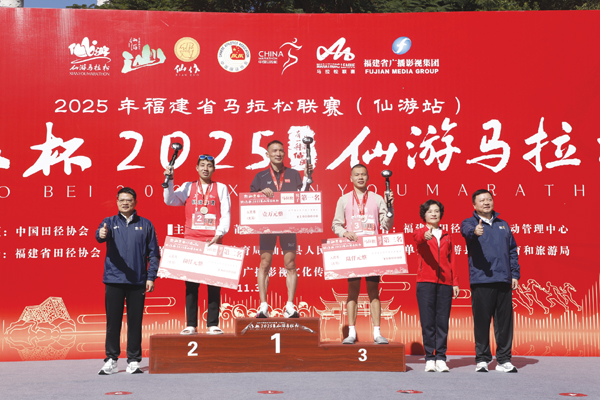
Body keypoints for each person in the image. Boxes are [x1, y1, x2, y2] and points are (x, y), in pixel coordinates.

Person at [163, 154, 231, 335]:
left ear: (214, 169)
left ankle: (212, 324)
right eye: (202, 165)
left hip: (213, 242)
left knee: (214, 284)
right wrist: (170, 180)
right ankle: (191, 324)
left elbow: (226, 213)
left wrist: (219, 234)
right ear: (197, 168)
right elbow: (169, 200)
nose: (205, 168)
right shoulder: (188, 187)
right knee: (191, 286)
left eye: (209, 165)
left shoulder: (221, 188)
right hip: (192, 242)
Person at [95, 187, 160, 375]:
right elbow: (99, 236)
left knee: (135, 321)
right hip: (114, 279)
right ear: (117, 202)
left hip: (137, 281)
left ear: (135, 203)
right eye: (122, 200)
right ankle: (111, 359)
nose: (125, 203)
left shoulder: (145, 224)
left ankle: (133, 360)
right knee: (113, 322)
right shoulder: (109, 222)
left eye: (129, 200)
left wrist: (151, 277)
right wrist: (101, 234)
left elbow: (154, 254)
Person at [332, 164, 394, 344]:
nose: (360, 177)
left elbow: (386, 225)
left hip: (372, 251)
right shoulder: (343, 199)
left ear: (368, 177)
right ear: (351, 178)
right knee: (352, 291)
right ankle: (351, 333)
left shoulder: (378, 198)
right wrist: (345, 233)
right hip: (353, 251)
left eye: (363, 175)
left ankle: (377, 333)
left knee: (374, 292)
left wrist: (390, 208)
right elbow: (336, 224)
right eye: (356, 175)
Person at [250, 140, 312, 318]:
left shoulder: (293, 174)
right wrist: (261, 194)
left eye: (281, 151)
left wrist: (307, 179)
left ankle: (290, 306)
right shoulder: (260, 176)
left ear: (285, 154)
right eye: (274, 150)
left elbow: (304, 195)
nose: (278, 153)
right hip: (267, 225)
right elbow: (250, 199)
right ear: (267, 154)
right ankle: (263, 306)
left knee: (290, 264)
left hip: (288, 224)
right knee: (264, 263)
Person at [461, 189, 520, 373]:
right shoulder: (469, 223)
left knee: (504, 323)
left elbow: (512, 250)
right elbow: (466, 232)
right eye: (481, 200)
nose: (486, 202)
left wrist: (514, 274)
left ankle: (504, 360)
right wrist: (475, 231)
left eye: (489, 199)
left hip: (503, 279)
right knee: (482, 322)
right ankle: (482, 359)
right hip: (482, 280)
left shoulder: (503, 224)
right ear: (474, 205)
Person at [414, 200, 459, 372]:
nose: (434, 214)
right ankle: (429, 358)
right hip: (425, 282)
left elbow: (452, 259)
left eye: (437, 211)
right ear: (424, 215)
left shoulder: (447, 234)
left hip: (445, 283)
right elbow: (418, 239)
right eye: (430, 211)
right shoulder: (420, 232)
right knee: (427, 322)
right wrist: (425, 236)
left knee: (442, 321)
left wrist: (455, 282)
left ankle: (441, 357)